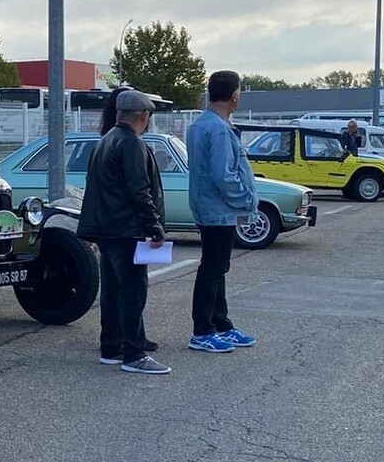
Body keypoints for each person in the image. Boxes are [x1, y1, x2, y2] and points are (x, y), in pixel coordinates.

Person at [76, 89, 169, 375]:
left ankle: (111, 347)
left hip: (107, 228)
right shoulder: (131, 144)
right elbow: (139, 190)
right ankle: (134, 354)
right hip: (126, 228)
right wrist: (154, 227)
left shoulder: (106, 140)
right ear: (143, 115)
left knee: (113, 291)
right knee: (133, 290)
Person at [185, 70, 258, 355]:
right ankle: (202, 331)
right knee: (212, 269)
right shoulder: (216, 128)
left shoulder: (201, 124)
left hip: (211, 208)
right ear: (234, 95)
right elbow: (223, 175)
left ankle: (221, 324)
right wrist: (245, 200)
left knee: (217, 269)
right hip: (218, 210)